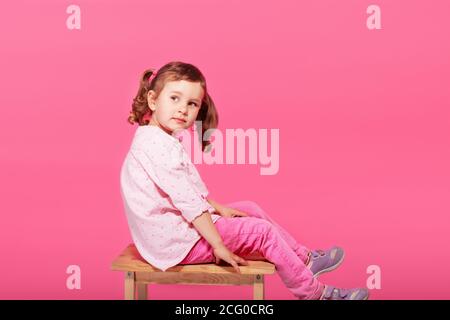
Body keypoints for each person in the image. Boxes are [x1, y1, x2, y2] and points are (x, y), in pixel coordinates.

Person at [120, 61, 369, 300]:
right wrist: (217, 245)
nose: (183, 109)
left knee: (248, 209)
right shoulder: (159, 147)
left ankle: (305, 260)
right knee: (262, 233)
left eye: (192, 103)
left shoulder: (156, 138)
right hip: (177, 243)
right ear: (153, 100)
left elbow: (183, 191)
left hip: (171, 233)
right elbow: (187, 202)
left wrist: (217, 208)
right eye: (174, 98)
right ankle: (314, 293)